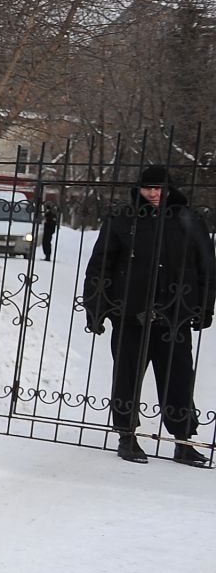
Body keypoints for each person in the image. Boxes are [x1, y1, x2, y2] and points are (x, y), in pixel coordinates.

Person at [83, 164, 216, 465]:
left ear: (169, 189)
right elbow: (100, 265)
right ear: (139, 189)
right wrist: (96, 307)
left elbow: (206, 267)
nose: (154, 194)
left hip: (174, 317)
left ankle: (183, 441)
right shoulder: (123, 219)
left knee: (178, 379)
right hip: (131, 314)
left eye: (159, 188)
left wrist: (205, 307)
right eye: (148, 188)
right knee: (127, 376)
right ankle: (126, 436)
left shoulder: (188, 220)